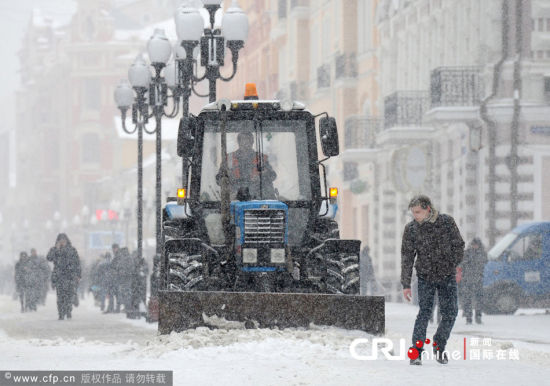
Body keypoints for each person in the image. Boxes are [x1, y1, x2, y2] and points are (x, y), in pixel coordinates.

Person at [401, 195, 464, 365]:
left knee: (451, 312)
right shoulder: (412, 229)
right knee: (424, 312)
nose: (415, 216)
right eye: (413, 212)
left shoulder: (446, 222)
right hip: (425, 276)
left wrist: (452, 262)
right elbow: (407, 257)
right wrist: (405, 284)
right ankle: (416, 352)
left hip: (447, 275)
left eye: (418, 212)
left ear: (428, 208)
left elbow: (459, 245)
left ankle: (439, 344)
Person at [216, 132, 277, 199]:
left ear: (252, 142)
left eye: (249, 140)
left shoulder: (261, 159)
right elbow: (219, 179)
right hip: (233, 200)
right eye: (243, 140)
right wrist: (227, 178)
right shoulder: (229, 159)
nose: (246, 143)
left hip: (258, 200)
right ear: (238, 142)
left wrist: (263, 175)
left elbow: (273, 176)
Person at [47, 233, 81, 320]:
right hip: (59, 276)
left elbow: (77, 263)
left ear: (66, 240)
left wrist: (78, 274)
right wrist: (56, 249)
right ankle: (61, 313)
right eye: (60, 240)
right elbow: (49, 258)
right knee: (60, 295)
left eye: (63, 240)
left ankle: (68, 310)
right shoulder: (55, 249)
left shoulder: (72, 250)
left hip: (70, 275)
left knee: (69, 294)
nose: (62, 242)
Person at [460, 238, 487, 325]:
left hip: (477, 279)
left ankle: (478, 316)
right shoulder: (467, 253)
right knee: (468, 299)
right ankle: (468, 317)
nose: (474, 246)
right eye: (473, 244)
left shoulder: (482, 254)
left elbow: (484, 263)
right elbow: (462, 263)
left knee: (478, 298)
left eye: (476, 245)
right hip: (468, 279)